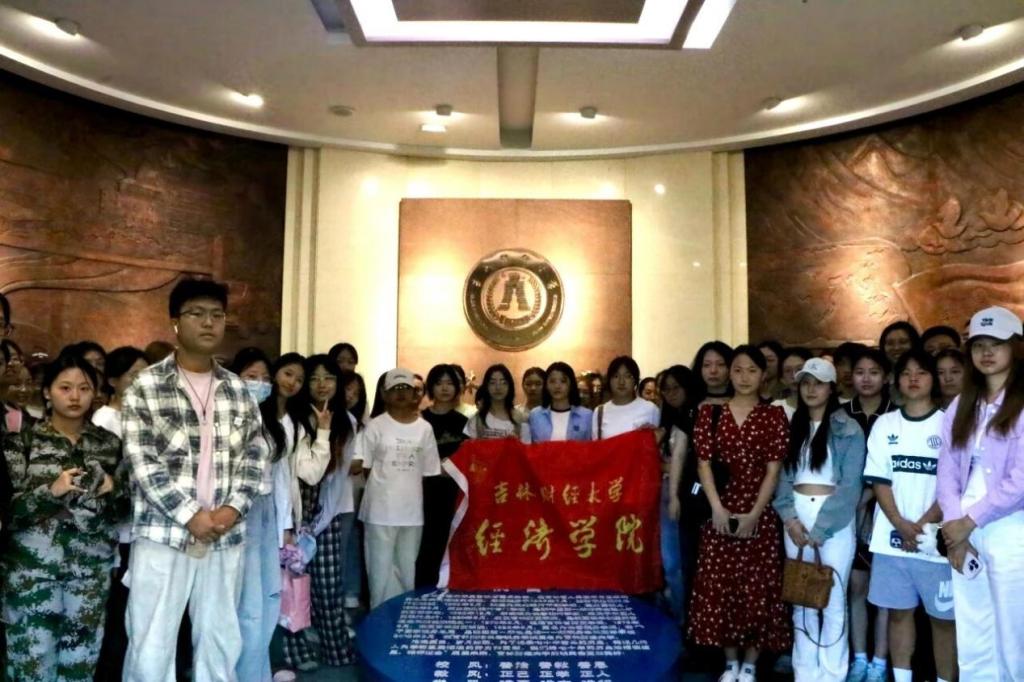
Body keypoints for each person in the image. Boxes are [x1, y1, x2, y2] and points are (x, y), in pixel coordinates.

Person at [121, 279, 269, 682]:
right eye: (197, 313)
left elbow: (255, 454)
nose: (208, 322)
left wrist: (232, 509)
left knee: (220, 638)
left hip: (224, 532)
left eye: (217, 315)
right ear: (175, 321)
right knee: (151, 642)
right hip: (164, 534)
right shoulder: (146, 386)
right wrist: (191, 515)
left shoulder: (238, 390)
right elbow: (142, 462)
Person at [3, 351, 123, 681]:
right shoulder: (21, 442)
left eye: (84, 388)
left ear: (95, 393)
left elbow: (127, 511)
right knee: (31, 664)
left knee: (80, 665)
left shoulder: (110, 445)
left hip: (89, 574)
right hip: (32, 575)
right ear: (47, 392)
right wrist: (50, 492)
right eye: (65, 387)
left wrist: (114, 489)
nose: (74, 397)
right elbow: (8, 514)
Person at [689, 345, 791, 682]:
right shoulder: (709, 413)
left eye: (752, 370)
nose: (744, 377)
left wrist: (754, 514)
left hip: (759, 514)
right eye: (737, 370)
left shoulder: (773, 415)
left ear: (763, 375)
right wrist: (717, 509)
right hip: (719, 510)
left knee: (757, 589)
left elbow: (773, 471)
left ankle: (750, 664)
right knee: (721, 588)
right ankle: (730, 662)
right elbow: (703, 464)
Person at [937, 306, 1024, 681]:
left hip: (1010, 526)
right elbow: (946, 470)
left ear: (1015, 347)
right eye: (978, 345)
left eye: (996, 344)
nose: (986, 352)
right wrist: (954, 527)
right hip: (962, 525)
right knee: (972, 628)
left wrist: (969, 521)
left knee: (1012, 628)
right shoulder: (962, 403)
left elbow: (1021, 479)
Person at [863, 349, 955, 682]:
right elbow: (880, 481)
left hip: (936, 543)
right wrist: (901, 525)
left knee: (943, 620)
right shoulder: (885, 423)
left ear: (934, 379)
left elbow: (952, 484)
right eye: (906, 373)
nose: (913, 379)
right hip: (891, 541)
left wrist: (923, 526)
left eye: (922, 372)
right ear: (897, 380)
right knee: (899, 615)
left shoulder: (950, 422)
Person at [773, 358, 865, 681]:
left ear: (831, 388)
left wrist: (821, 528)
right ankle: (805, 672)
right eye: (805, 383)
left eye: (819, 383)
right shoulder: (791, 427)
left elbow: (851, 487)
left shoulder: (849, 429)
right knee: (802, 598)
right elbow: (782, 478)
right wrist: (790, 519)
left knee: (834, 599)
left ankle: (832, 673)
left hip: (834, 518)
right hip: (796, 514)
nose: (811, 389)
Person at [286, 355, 357, 670]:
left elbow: (339, 477)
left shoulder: (346, 422)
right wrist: (295, 522)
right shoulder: (294, 417)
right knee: (292, 587)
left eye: (328, 377)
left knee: (328, 587)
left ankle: (335, 648)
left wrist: (320, 522)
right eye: (314, 378)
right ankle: (297, 652)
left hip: (325, 514)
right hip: (292, 512)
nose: (321, 384)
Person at [351, 368, 441, 608]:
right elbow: (363, 466)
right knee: (379, 570)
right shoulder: (375, 426)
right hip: (380, 511)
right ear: (384, 393)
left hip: (411, 512)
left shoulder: (424, 429)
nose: (401, 393)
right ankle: (379, 617)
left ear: (415, 393)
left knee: (407, 569)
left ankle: (403, 616)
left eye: (406, 388)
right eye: (395, 389)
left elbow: (429, 471)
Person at [90, 346, 148, 682]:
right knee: (117, 611)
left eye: (145, 373)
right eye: (133, 374)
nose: (141, 380)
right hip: (119, 531)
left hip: (142, 527)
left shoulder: (143, 415)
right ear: (113, 380)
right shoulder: (104, 419)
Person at [224, 347, 280, 682]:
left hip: (265, 510)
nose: (260, 384)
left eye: (265, 378)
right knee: (238, 602)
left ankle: (256, 672)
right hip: (236, 512)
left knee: (264, 597)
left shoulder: (268, 423)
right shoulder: (224, 417)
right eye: (251, 377)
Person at [842, 347, 895, 682]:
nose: (866, 378)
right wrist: (853, 505)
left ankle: (880, 661)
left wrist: (869, 501)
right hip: (847, 511)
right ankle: (859, 658)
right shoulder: (839, 414)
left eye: (874, 372)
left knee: (886, 593)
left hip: (887, 512)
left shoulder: (896, 415)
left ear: (886, 377)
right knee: (856, 588)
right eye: (860, 372)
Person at [417, 364, 468, 588]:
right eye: (439, 383)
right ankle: (423, 586)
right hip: (424, 489)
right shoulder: (420, 419)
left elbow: (467, 457)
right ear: (430, 388)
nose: (444, 388)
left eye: (449, 383)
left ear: (457, 388)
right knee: (425, 539)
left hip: (452, 490)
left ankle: (445, 583)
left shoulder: (463, 422)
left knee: (448, 537)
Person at [656, 365, 697, 625]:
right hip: (666, 493)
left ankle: (688, 620)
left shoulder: (697, 416)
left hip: (690, 495)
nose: (671, 393)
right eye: (666, 389)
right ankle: (678, 617)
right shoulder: (666, 422)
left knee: (687, 560)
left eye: (676, 388)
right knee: (670, 562)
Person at [593, 356, 660, 440]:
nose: (621, 382)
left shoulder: (650, 409)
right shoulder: (599, 412)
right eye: (616, 376)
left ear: (635, 380)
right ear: (609, 380)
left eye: (628, 376)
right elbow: (597, 446)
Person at [528, 361, 593, 443]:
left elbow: (590, 447)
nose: (557, 386)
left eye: (563, 381)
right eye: (552, 381)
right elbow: (531, 447)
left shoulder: (586, 415)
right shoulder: (535, 415)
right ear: (546, 385)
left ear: (571, 385)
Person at [465, 364, 531, 442]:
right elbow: (469, 447)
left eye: (503, 382)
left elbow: (526, 447)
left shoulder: (520, 418)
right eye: (492, 383)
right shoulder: (476, 419)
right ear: (486, 386)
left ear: (510, 386)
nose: (498, 387)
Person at [773, 347, 813, 420]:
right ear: (782, 379)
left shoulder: (823, 406)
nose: (794, 375)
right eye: (788, 371)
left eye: (799, 369)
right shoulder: (776, 408)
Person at [692, 341, 733, 407]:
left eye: (721, 364)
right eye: (707, 365)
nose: (713, 371)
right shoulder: (691, 403)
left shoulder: (741, 404)